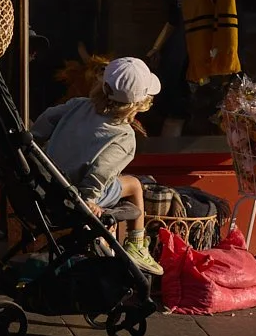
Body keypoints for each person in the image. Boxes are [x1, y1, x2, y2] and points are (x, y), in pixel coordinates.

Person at [29, 56, 165, 276]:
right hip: (75, 198)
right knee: (135, 185)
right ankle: (137, 246)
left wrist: (34, 141)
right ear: (140, 103)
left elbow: (46, 121)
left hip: (48, 184)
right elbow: (101, 172)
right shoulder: (124, 136)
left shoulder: (79, 105)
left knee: (121, 183)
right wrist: (90, 200)